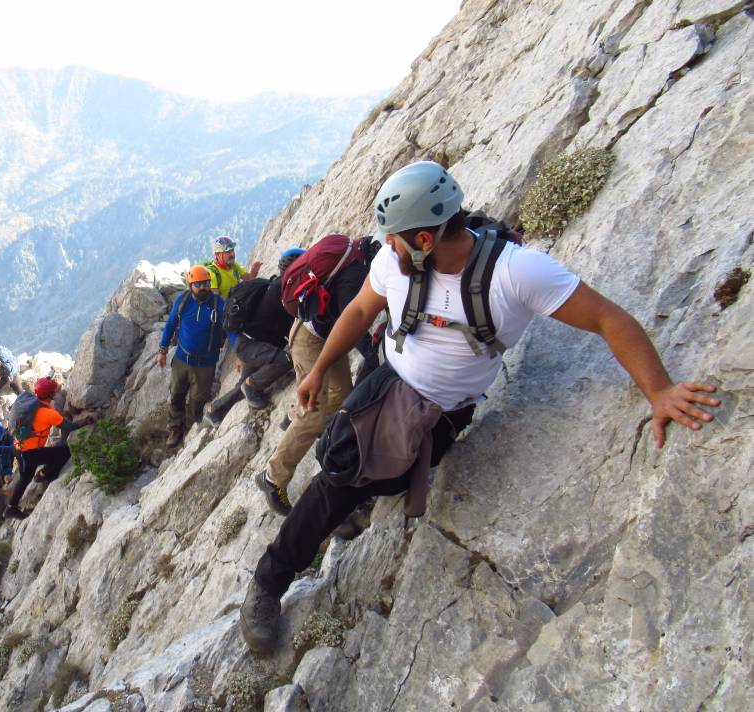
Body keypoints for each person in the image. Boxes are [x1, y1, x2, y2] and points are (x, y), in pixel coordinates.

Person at [238, 160, 720, 655]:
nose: (386, 248)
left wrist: (660, 391)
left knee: (399, 478)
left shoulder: (515, 272)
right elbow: (361, 310)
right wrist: (319, 369)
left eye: (396, 238)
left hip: (448, 414)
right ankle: (267, 585)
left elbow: (608, 320)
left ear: (425, 240)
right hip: (388, 391)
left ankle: (367, 492)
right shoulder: (394, 261)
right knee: (335, 483)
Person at [255, 237, 381, 516]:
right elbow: (353, 322)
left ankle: (297, 419)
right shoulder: (356, 277)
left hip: (322, 335)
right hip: (309, 340)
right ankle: (272, 477)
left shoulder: (360, 256)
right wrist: (372, 350)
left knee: (341, 397)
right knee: (313, 414)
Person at [204, 249, 303, 426]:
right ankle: (253, 386)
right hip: (250, 344)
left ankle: (214, 410)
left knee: (242, 383)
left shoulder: (278, 287)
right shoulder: (280, 292)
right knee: (284, 362)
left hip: (250, 343)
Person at [4, 377, 97, 520]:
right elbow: (70, 427)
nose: (57, 393)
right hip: (31, 453)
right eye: (55, 391)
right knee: (64, 452)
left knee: (24, 479)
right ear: (50, 395)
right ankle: (45, 474)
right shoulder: (48, 413)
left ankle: (11, 508)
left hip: (19, 448)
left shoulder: (30, 400)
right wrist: (88, 419)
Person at [158, 265, 227, 447]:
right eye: (199, 284)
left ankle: (189, 430)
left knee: (197, 402)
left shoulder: (218, 304)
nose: (204, 287)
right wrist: (162, 350)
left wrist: (241, 352)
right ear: (191, 285)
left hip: (205, 364)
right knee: (176, 395)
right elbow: (171, 324)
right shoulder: (183, 300)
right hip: (182, 359)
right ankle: (175, 428)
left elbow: (232, 330)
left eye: (206, 283)